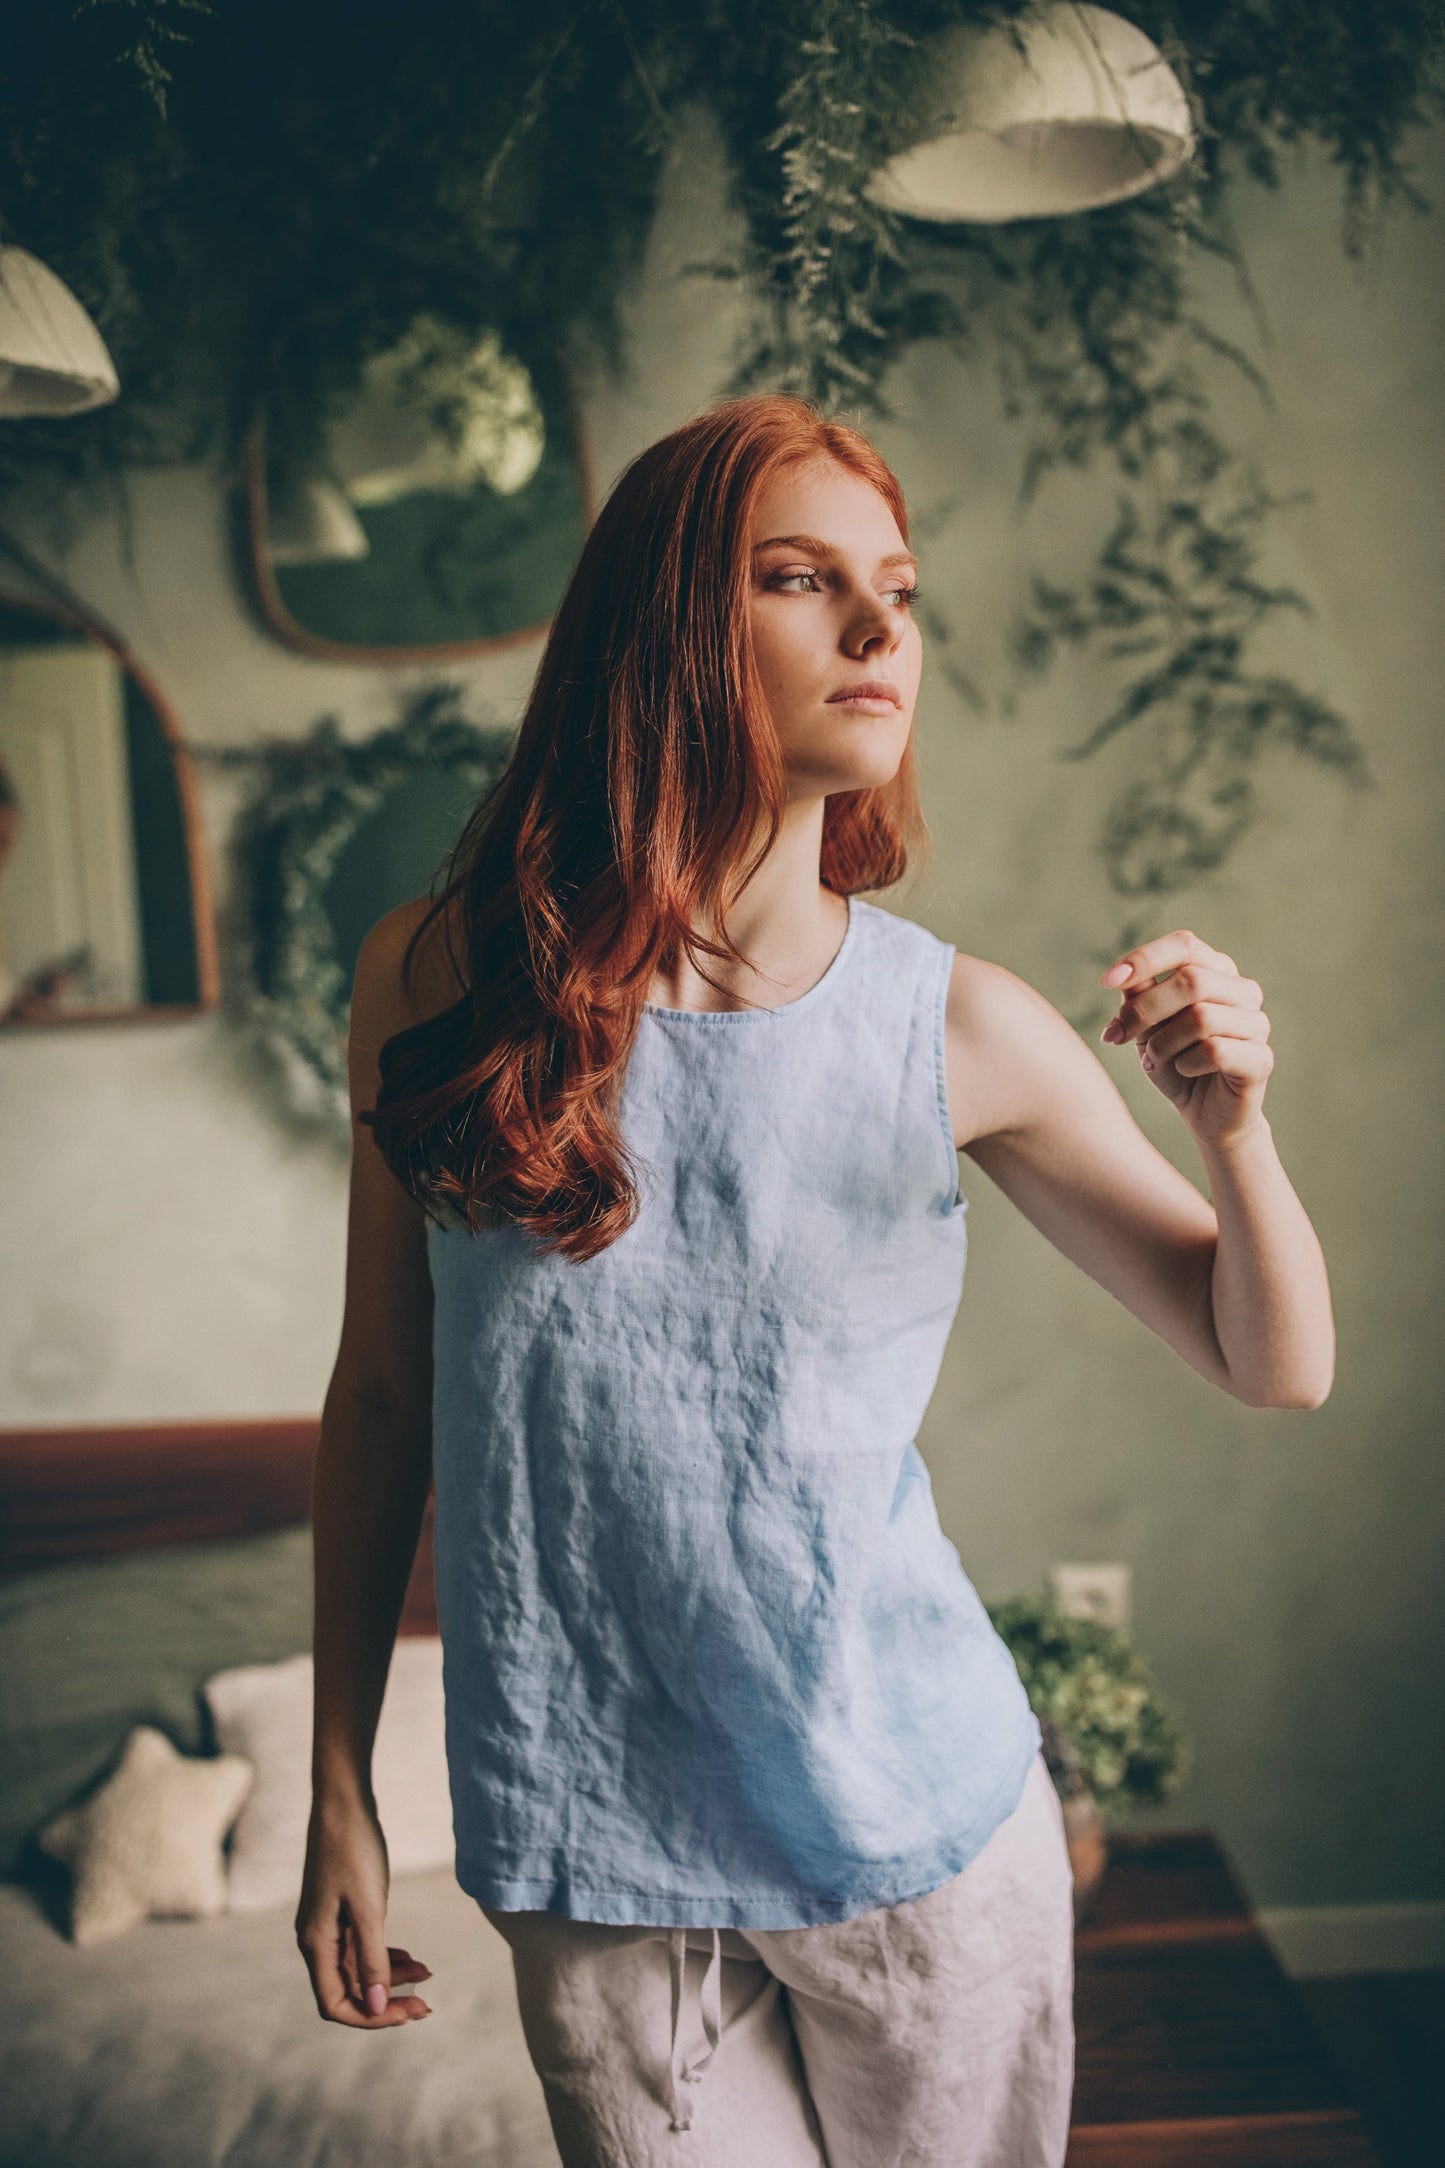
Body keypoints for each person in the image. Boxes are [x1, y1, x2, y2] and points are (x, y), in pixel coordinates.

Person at [294, 393, 1335, 2168]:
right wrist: (337, 1787)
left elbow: (1270, 1359)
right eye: (801, 580)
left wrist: (1232, 1126)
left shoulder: (960, 1025)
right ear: (668, 628)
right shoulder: (434, 981)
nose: (878, 630)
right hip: (591, 1847)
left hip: (916, 1835)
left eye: (899, 591)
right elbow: (387, 1395)